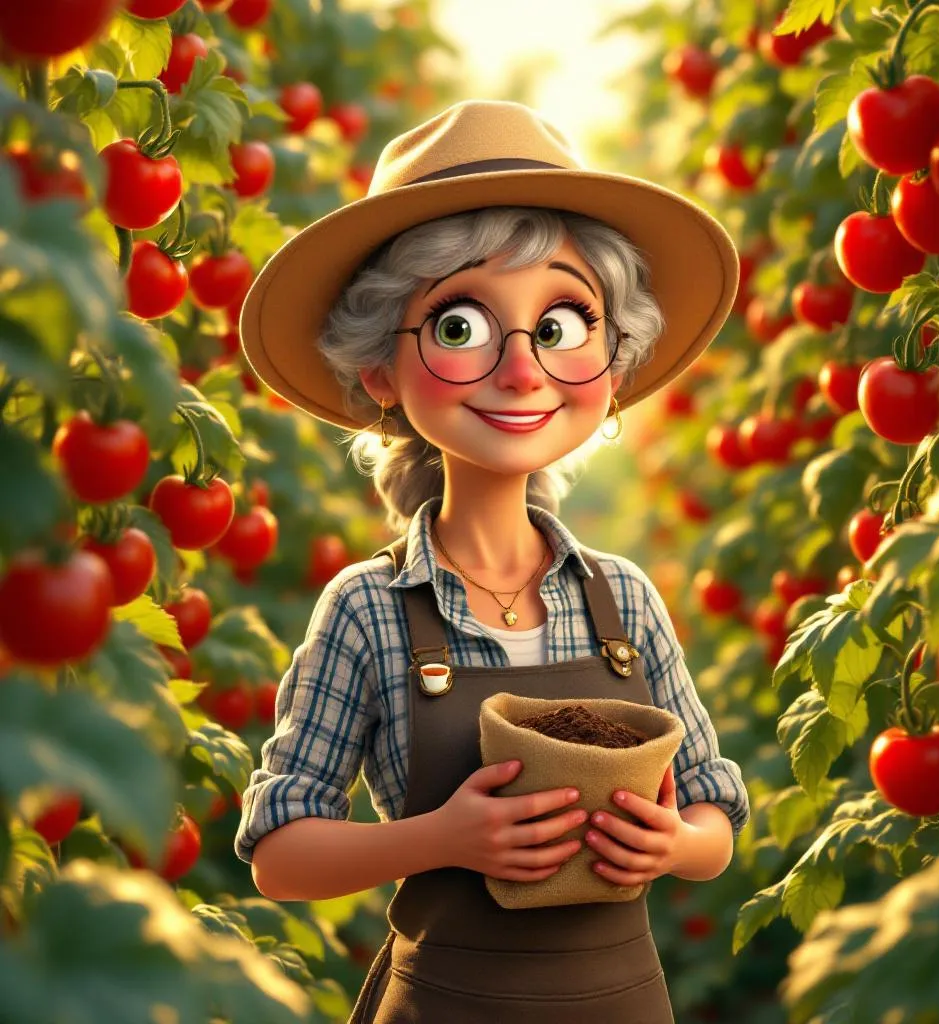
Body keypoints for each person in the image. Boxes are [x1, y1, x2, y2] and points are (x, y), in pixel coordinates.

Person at [234, 99, 749, 1023]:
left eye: (561, 326)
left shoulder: (622, 600)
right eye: (461, 328)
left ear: (613, 360)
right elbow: (279, 853)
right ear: (381, 373)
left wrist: (670, 843)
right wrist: (440, 839)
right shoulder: (369, 608)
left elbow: (716, 821)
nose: (521, 373)